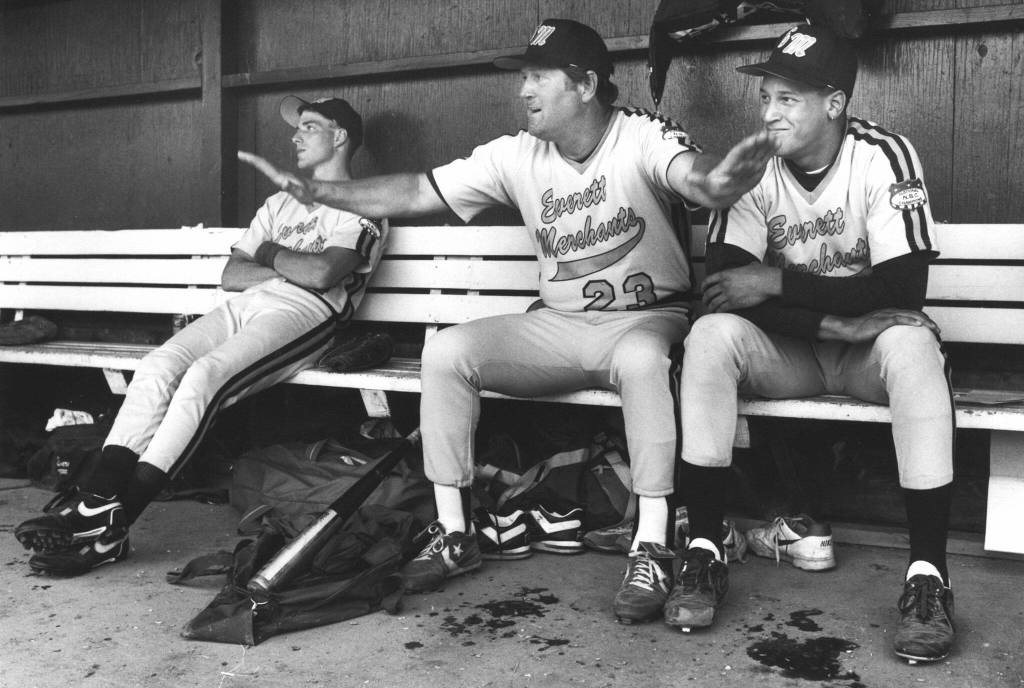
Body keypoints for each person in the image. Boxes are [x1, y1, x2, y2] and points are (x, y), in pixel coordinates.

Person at [238, 18, 774, 623]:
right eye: (522, 76)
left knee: (643, 360)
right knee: (447, 353)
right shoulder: (516, 153)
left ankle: (652, 545)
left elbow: (692, 175)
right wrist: (325, 194)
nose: (523, 90)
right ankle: (454, 533)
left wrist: (718, 180)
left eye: (538, 76)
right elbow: (418, 190)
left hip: (646, 319)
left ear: (586, 84)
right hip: (559, 323)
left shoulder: (640, 134)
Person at [668, 24, 956, 663]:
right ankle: (703, 550)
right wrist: (832, 321)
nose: (769, 113)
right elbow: (722, 289)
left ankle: (928, 579)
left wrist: (775, 279)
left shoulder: (883, 155)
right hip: (796, 352)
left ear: (834, 102)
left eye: (788, 99)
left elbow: (904, 285)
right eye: (765, 97)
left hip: (868, 358)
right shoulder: (752, 167)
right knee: (711, 333)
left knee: (913, 348)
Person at [15, 96, 388, 576]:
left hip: (307, 315)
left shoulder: (366, 204)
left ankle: (116, 520)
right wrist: (284, 266)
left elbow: (319, 275)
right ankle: (95, 501)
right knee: (157, 366)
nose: (295, 135)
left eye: (310, 126)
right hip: (242, 307)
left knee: (203, 378)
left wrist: (271, 251)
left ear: (339, 137)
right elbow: (232, 275)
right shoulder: (279, 202)